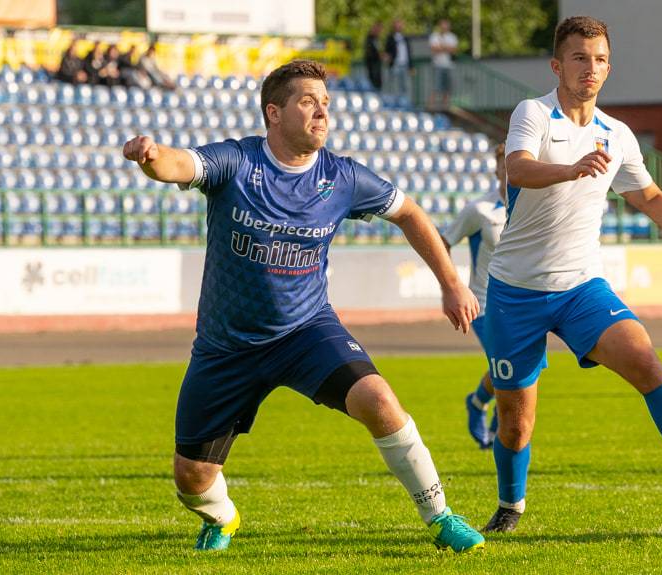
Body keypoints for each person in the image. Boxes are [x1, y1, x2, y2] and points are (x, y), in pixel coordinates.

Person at [121, 59, 485, 553]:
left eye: (326, 103)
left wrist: (451, 283)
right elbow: (179, 165)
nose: (322, 113)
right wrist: (151, 156)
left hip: (305, 331)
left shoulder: (343, 177)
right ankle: (222, 519)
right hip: (227, 347)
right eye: (308, 102)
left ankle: (440, 516)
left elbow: (410, 213)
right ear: (274, 113)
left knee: (380, 401)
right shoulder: (237, 162)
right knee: (192, 478)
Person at [480, 16, 662, 533]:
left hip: (581, 288)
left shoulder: (617, 134)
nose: (590, 68)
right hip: (515, 292)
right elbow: (516, 168)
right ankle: (510, 506)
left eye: (600, 60)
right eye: (579, 58)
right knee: (515, 424)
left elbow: (649, 197)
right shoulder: (534, 113)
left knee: (646, 361)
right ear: (557, 66)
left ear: (609, 68)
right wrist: (569, 169)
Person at [440, 143, 507, 449]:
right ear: (497, 169)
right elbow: (443, 242)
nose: (511, 170)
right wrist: (452, 285)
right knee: (507, 366)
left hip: (522, 303)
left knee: (523, 368)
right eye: (505, 164)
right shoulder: (479, 210)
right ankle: (497, 433)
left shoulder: (532, 208)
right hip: (484, 304)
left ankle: (478, 402)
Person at [428, 19, 458, 109]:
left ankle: (445, 107)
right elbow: (434, 49)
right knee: (436, 87)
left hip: (449, 65)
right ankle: (431, 107)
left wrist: (441, 47)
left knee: (447, 88)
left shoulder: (452, 37)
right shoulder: (434, 36)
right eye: (443, 26)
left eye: (446, 26)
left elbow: (454, 50)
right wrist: (447, 48)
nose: (444, 27)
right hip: (437, 65)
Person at [384, 19, 414, 100]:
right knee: (394, 86)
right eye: (397, 24)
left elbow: (409, 53)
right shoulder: (390, 38)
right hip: (395, 64)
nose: (399, 26)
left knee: (406, 86)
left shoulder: (405, 38)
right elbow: (387, 51)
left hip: (405, 64)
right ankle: (394, 102)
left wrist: (411, 66)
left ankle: (405, 102)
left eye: (400, 24)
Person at [364, 22, 384, 91]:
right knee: (373, 82)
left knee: (378, 82)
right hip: (372, 65)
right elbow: (369, 52)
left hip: (377, 65)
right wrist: (378, 55)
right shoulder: (369, 39)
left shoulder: (377, 39)